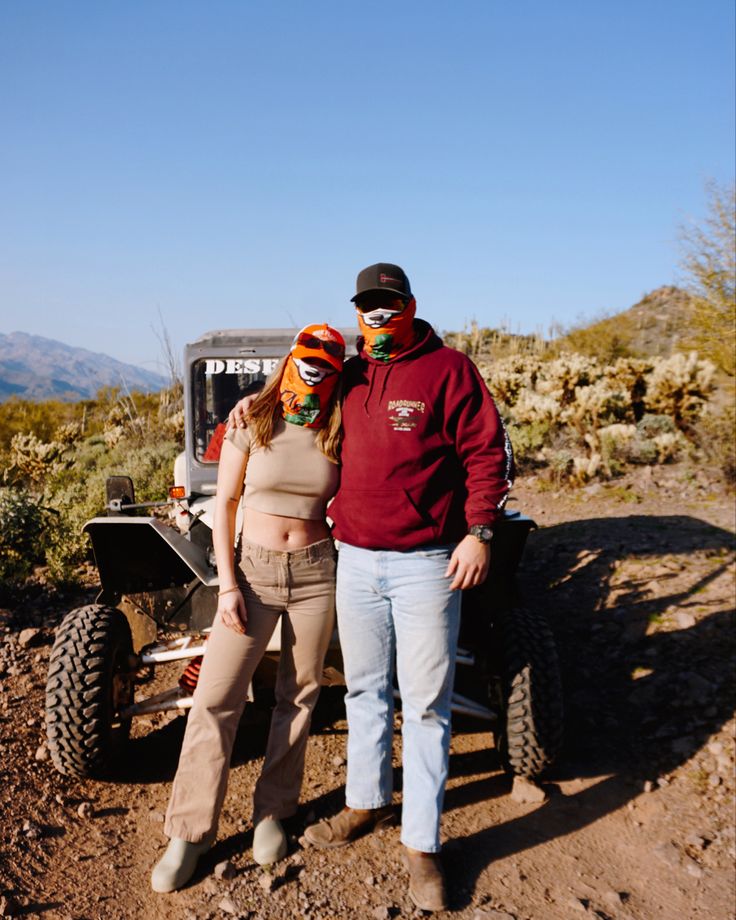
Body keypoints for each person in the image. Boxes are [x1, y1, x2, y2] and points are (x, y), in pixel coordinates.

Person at [230, 264, 514, 912]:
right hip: (354, 559)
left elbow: (485, 454)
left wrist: (480, 533)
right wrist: (253, 400)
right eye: (369, 306)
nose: (379, 316)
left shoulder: (449, 370)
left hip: (427, 562)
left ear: (410, 305)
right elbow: (299, 390)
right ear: (359, 311)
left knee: (425, 704)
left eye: (389, 304)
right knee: (362, 690)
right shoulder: (351, 372)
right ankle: (365, 803)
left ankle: (422, 844)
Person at [151, 323, 346, 893]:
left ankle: (273, 812)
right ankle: (188, 831)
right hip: (253, 574)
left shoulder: (339, 426)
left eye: (326, 365)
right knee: (215, 699)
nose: (313, 371)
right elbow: (227, 502)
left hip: (316, 572)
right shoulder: (250, 423)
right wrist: (229, 585)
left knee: (300, 695)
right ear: (290, 361)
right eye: (306, 359)